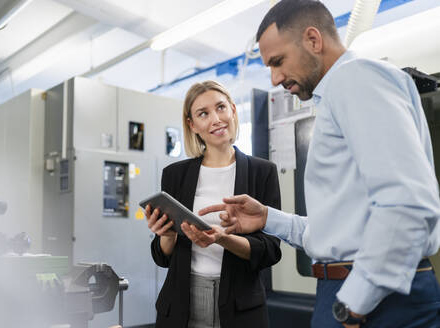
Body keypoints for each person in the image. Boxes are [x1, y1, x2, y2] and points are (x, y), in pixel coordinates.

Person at [194, 1, 440, 328]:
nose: (275, 77)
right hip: (353, 289)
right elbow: (336, 233)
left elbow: (408, 204)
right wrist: (268, 218)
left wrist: (354, 303)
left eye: (278, 62)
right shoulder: (336, 97)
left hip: (375, 299)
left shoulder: (356, 79)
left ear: (313, 40)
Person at [145, 80, 282, 328]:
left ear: (233, 110)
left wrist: (223, 238)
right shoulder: (175, 175)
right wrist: (166, 234)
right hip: (182, 302)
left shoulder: (262, 172)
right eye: (203, 114)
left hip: (241, 305)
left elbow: (270, 251)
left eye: (221, 108)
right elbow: (163, 257)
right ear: (192, 125)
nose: (216, 119)